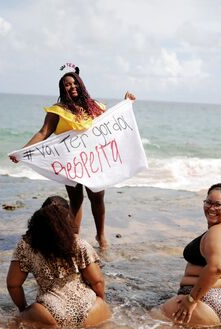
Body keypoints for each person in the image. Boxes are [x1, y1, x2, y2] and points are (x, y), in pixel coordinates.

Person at [10, 66, 135, 249]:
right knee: (76, 200)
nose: (72, 86)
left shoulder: (95, 107)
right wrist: (22, 151)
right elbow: (43, 132)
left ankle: (100, 236)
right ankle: (74, 238)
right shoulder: (57, 110)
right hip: (71, 163)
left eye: (75, 82)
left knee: (97, 198)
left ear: (81, 84)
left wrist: (126, 103)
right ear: (62, 89)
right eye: (67, 85)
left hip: (94, 161)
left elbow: (111, 123)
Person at [6, 196, 111, 329]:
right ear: (67, 218)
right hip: (89, 309)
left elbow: (13, 285)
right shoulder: (78, 243)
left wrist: (23, 309)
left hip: (49, 313)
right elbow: (97, 282)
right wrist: (101, 303)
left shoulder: (26, 246)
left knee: (16, 322)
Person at [161, 183, 221, 328]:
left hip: (209, 303)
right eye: (208, 202)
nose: (211, 208)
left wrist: (191, 300)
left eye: (218, 205)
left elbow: (216, 268)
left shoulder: (217, 233)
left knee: (147, 319)